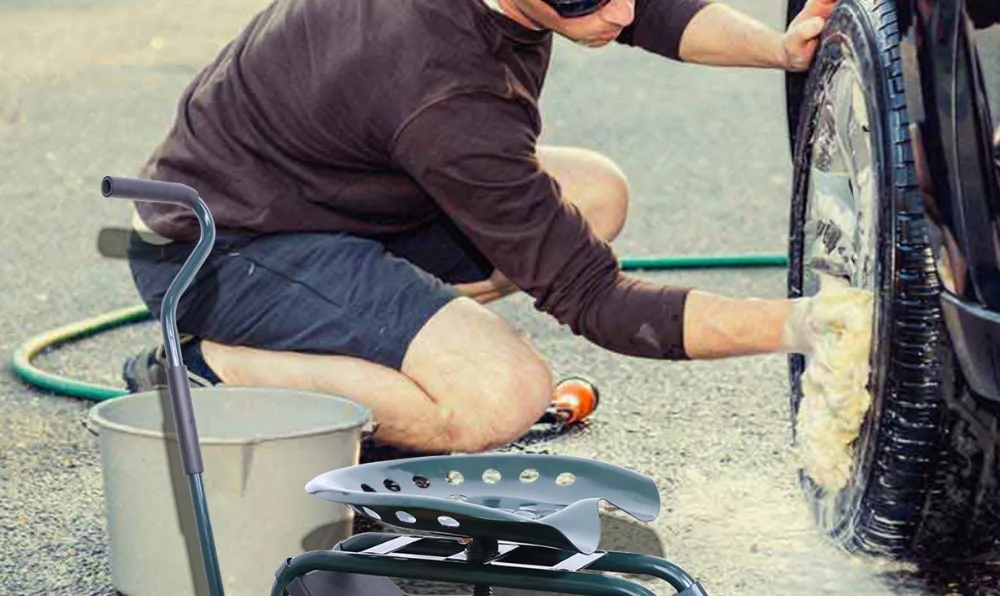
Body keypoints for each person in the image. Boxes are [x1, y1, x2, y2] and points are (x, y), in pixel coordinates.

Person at [122, 0, 850, 460]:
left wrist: (778, 49)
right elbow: (595, 298)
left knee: (594, 193)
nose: (621, 12)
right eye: (587, 0)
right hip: (221, 249)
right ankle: (207, 371)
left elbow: (648, 10)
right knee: (502, 396)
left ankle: (388, 334)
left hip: (324, 195)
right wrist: (805, 325)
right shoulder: (446, 91)